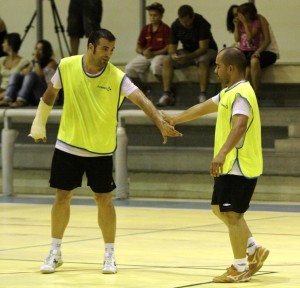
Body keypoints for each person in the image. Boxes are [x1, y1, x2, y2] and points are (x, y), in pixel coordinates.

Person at [29, 28, 182, 274]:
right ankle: (55, 252)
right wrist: (39, 123)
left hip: (100, 150)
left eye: (111, 50)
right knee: (62, 197)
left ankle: (109, 254)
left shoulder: (117, 77)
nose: (108, 54)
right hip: (68, 145)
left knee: (104, 200)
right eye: (104, 49)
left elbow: (141, 99)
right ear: (90, 47)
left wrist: (159, 121)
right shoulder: (67, 66)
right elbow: (49, 95)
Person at [162, 47, 269, 283]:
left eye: (218, 65)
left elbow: (240, 125)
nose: (216, 69)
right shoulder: (228, 92)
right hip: (231, 163)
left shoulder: (241, 92)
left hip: (238, 163)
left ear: (230, 68)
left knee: (232, 215)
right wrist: (175, 118)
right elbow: (203, 108)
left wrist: (221, 153)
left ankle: (240, 267)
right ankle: (253, 249)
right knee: (219, 208)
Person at [157, 4, 218, 107]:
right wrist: (174, 56)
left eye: (187, 22)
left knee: (202, 61)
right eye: (182, 22)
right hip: (187, 51)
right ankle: (167, 94)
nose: (185, 24)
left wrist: (188, 57)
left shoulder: (202, 23)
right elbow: (172, 48)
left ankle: (203, 95)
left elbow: (203, 48)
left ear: (192, 17)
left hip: (207, 50)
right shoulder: (176, 25)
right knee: (167, 60)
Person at [233, 2, 279, 93]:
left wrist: (257, 51)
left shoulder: (259, 20)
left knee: (254, 61)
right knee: (245, 66)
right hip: (252, 50)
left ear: (247, 14)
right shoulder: (241, 24)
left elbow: (267, 40)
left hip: (267, 50)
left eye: (240, 14)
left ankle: (255, 93)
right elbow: (238, 39)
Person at [125, 2, 170, 96]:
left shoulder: (166, 29)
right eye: (150, 15)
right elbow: (138, 48)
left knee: (155, 67)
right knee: (129, 68)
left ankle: (167, 89)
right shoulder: (145, 29)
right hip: (146, 55)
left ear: (161, 16)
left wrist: (154, 54)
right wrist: (143, 51)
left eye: (155, 15)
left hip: (160, 54)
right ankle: (143, 89)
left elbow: (168, 48)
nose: (152, 17)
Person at [0, 40, 57, 107]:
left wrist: (36, 61)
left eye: (40, 50)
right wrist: (27, 68)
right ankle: (8, 98)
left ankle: (21, 100)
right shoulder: (34, 62)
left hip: (45, 96)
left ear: (46, 51)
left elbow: (41, 76)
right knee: (16, 75)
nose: (37, 52)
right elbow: (24, 73)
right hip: (32, 95)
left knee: (32, 75)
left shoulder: (52, 63)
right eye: (36, 49)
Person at [0, 33, 29, 100]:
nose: (2, 45)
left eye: (4, 42)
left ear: (11, 45)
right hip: (1, 89)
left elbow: (22, 83)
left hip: (14, 90)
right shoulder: (1, 60)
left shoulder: (24, 62)